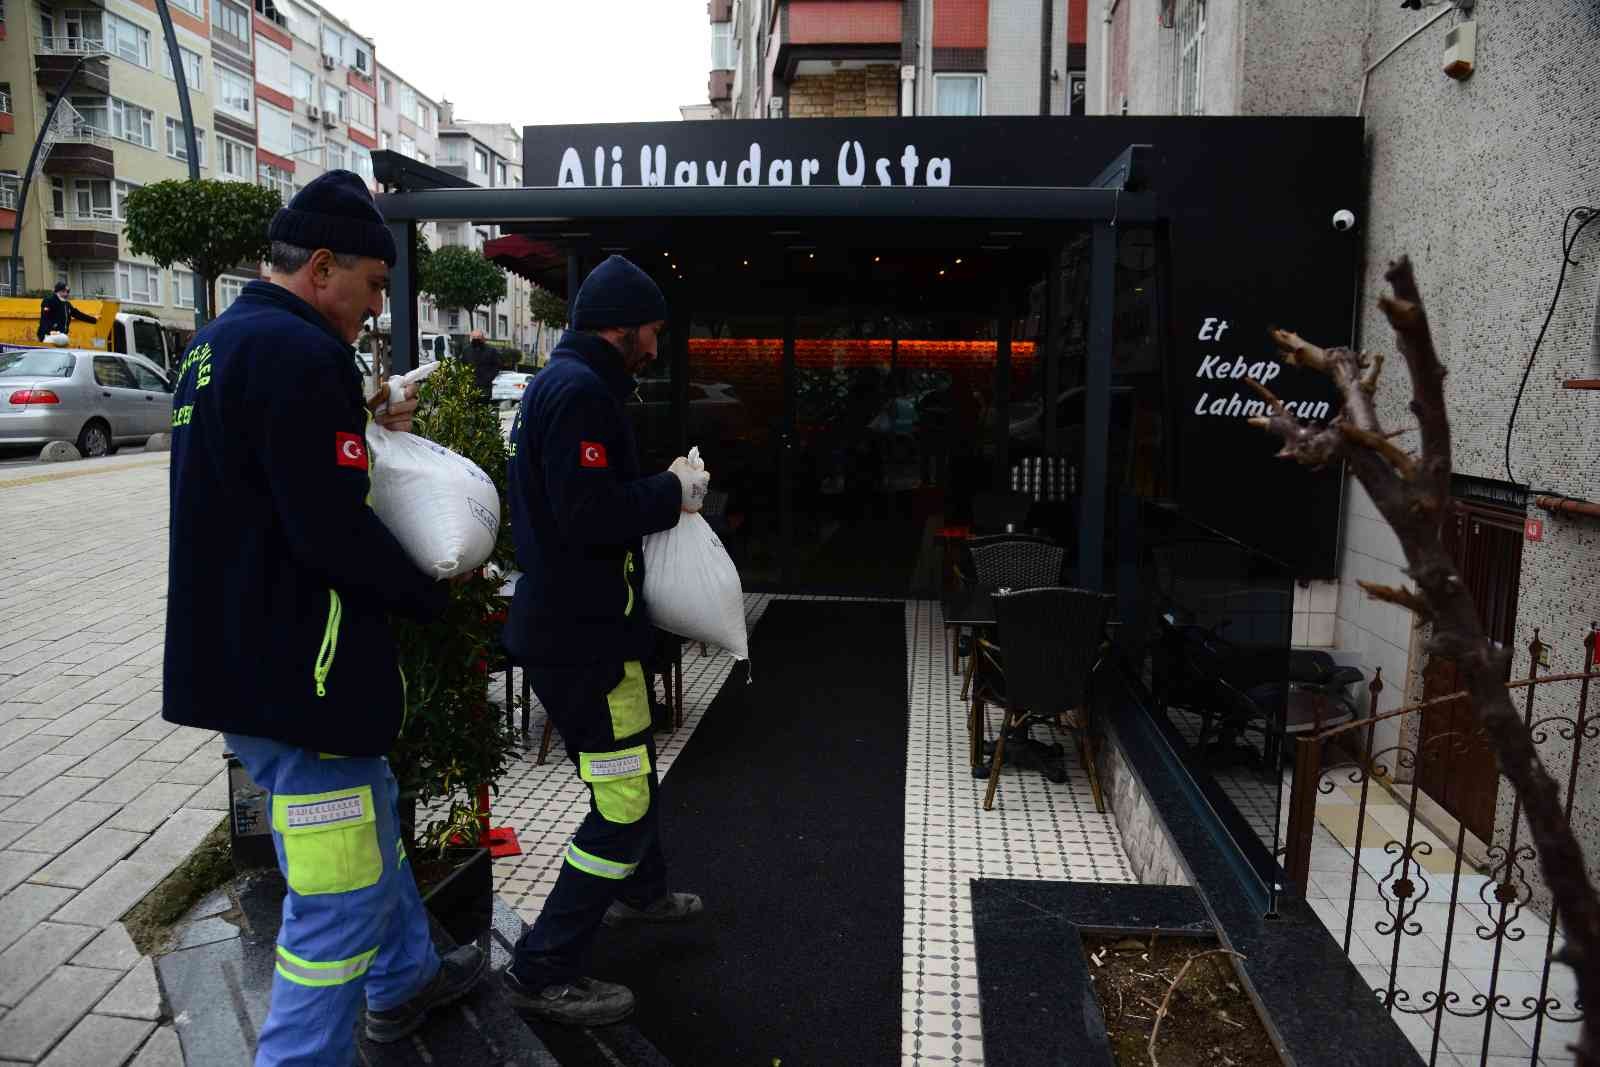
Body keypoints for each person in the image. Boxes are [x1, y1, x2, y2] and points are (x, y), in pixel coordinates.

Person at [162, 170, 486, 1066]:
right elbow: (332, 528)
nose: (374, 308)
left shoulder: (217, 344)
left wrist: (363, 409)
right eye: (373, 286)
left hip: (237, 652)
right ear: (321, 265)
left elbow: (261, 468)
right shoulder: (302, 354)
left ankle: (405, 978)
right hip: (300, 668)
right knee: (338, 893)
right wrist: (434, 594)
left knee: (371, 810)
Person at [500, 254, 710, 1026]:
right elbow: (587, 515)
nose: (657, 348)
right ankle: (545, 965)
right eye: (652, 333)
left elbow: (571, 501)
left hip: (566, 628)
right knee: (621, 803)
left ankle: (643, 891)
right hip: (587, 641)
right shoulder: (583, 394)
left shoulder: (565, 384)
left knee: (632, 766)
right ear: (620, 329)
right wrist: (671, 492)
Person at [465, 328, 499, 403]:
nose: (476, 340)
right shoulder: (466, 350)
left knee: (483, 409)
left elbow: (496, 366)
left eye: (478, 338)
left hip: (485, 388)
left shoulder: (491, 351)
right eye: (474, 338)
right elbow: (462, 365)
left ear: (483, 338)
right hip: (470, 388)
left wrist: (488, 378)